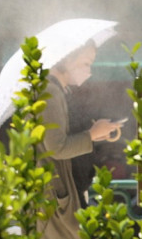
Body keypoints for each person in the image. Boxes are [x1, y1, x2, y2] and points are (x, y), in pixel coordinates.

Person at [37, 39, 125, 239]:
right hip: (54, 197)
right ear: (68, 59)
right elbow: (57, 147)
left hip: (56, 194)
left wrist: (94, 134)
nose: (89, 70)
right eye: (86, 63)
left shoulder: (53, 90)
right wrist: (92, 134)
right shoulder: (49, 92)